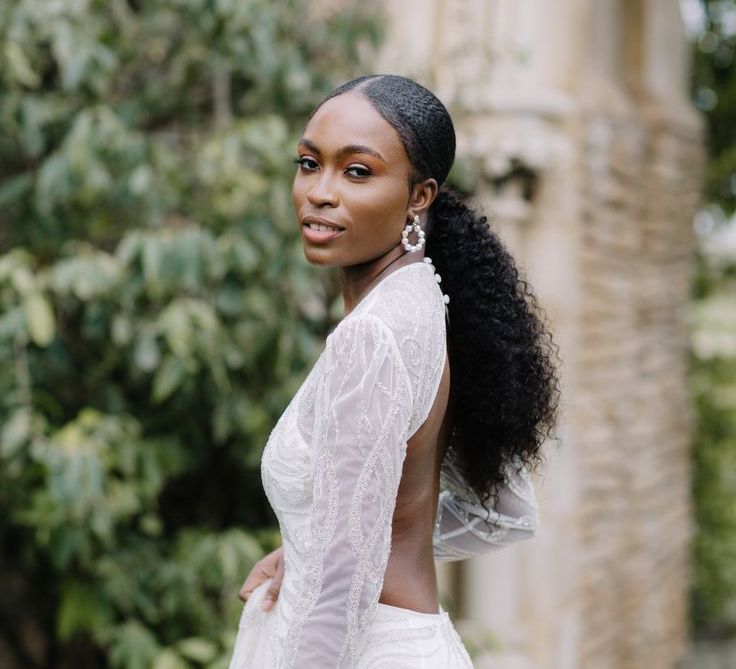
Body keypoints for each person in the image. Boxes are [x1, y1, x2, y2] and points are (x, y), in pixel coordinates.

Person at [227, 74, 561, 669]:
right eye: (309, 164)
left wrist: (335, 560)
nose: (320, 192)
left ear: (419, 196)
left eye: (358, 171)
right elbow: (503, 511)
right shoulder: (427, 303)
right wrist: (310, 548)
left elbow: (339, 598)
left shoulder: (373, 335)